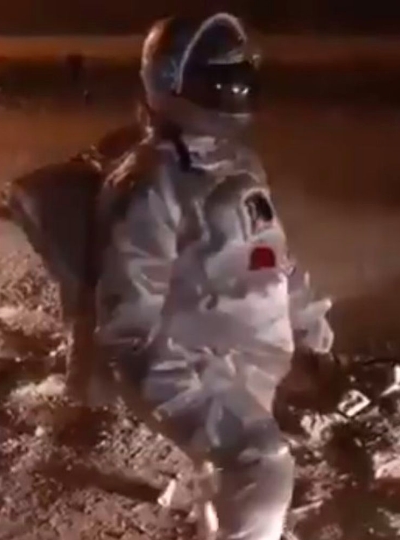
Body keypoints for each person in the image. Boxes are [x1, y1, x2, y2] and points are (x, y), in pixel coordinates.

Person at [91, 12, 334, 540]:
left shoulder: (235, 163)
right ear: (172, 82)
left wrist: (310, 330)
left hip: (251, 358)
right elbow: (128, 323)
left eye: (241, 77)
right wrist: (178, 393)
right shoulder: (153, 181)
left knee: (225, 479)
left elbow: (271, 256)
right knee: (259, 464)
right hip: (193, 363)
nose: (234, 90)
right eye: (219, 80)